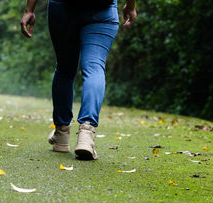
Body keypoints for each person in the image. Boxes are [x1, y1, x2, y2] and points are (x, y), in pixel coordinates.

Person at [20, 0, 137, 160]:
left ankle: (61, 135)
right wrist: (130, 6)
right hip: (102, 11)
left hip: (62, 8)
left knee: (64, 69)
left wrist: (29, 10)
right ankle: (86, 135)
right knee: (95, 67)